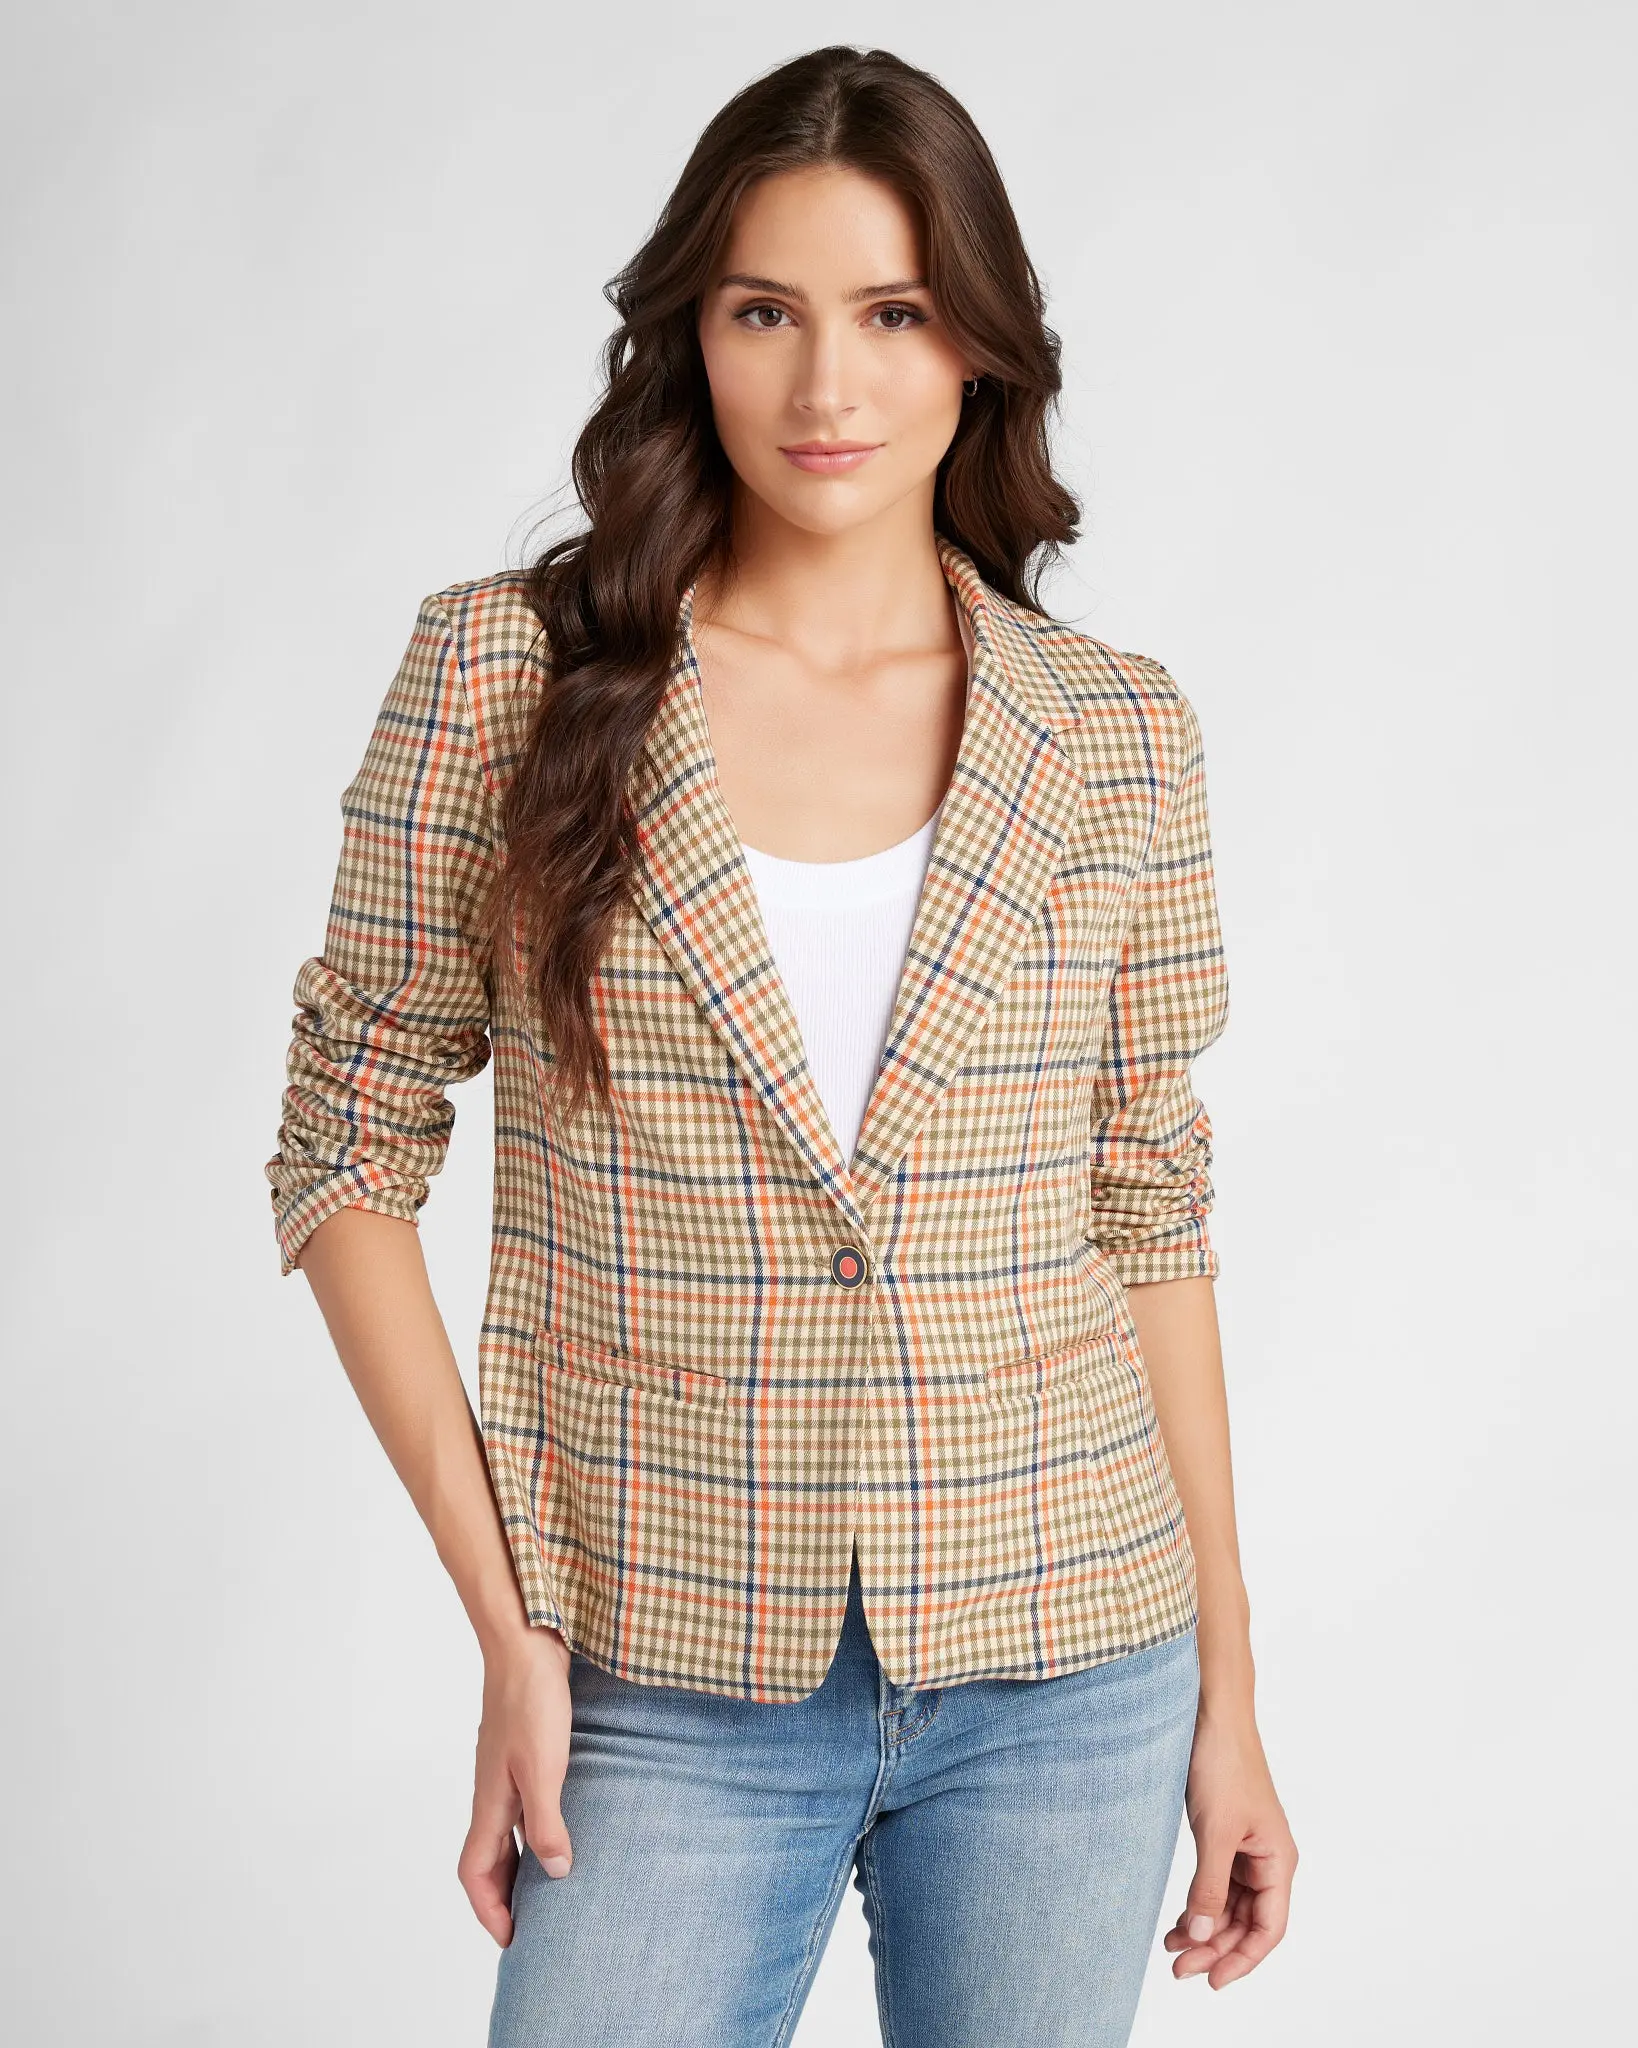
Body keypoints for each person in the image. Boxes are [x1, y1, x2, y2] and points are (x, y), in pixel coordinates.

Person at [265, 42, 1297, 2048]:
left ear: (979, 346)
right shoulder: (505, 675)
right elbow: (344, 1146)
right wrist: (508, 1620)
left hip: (1071, 1660)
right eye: (766, 313)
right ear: (691, 334)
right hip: (659, 1665)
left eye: (893, 315)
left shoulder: (1112, 732)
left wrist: (1231, 1693)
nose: (828, 387)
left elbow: (1149, 1208)